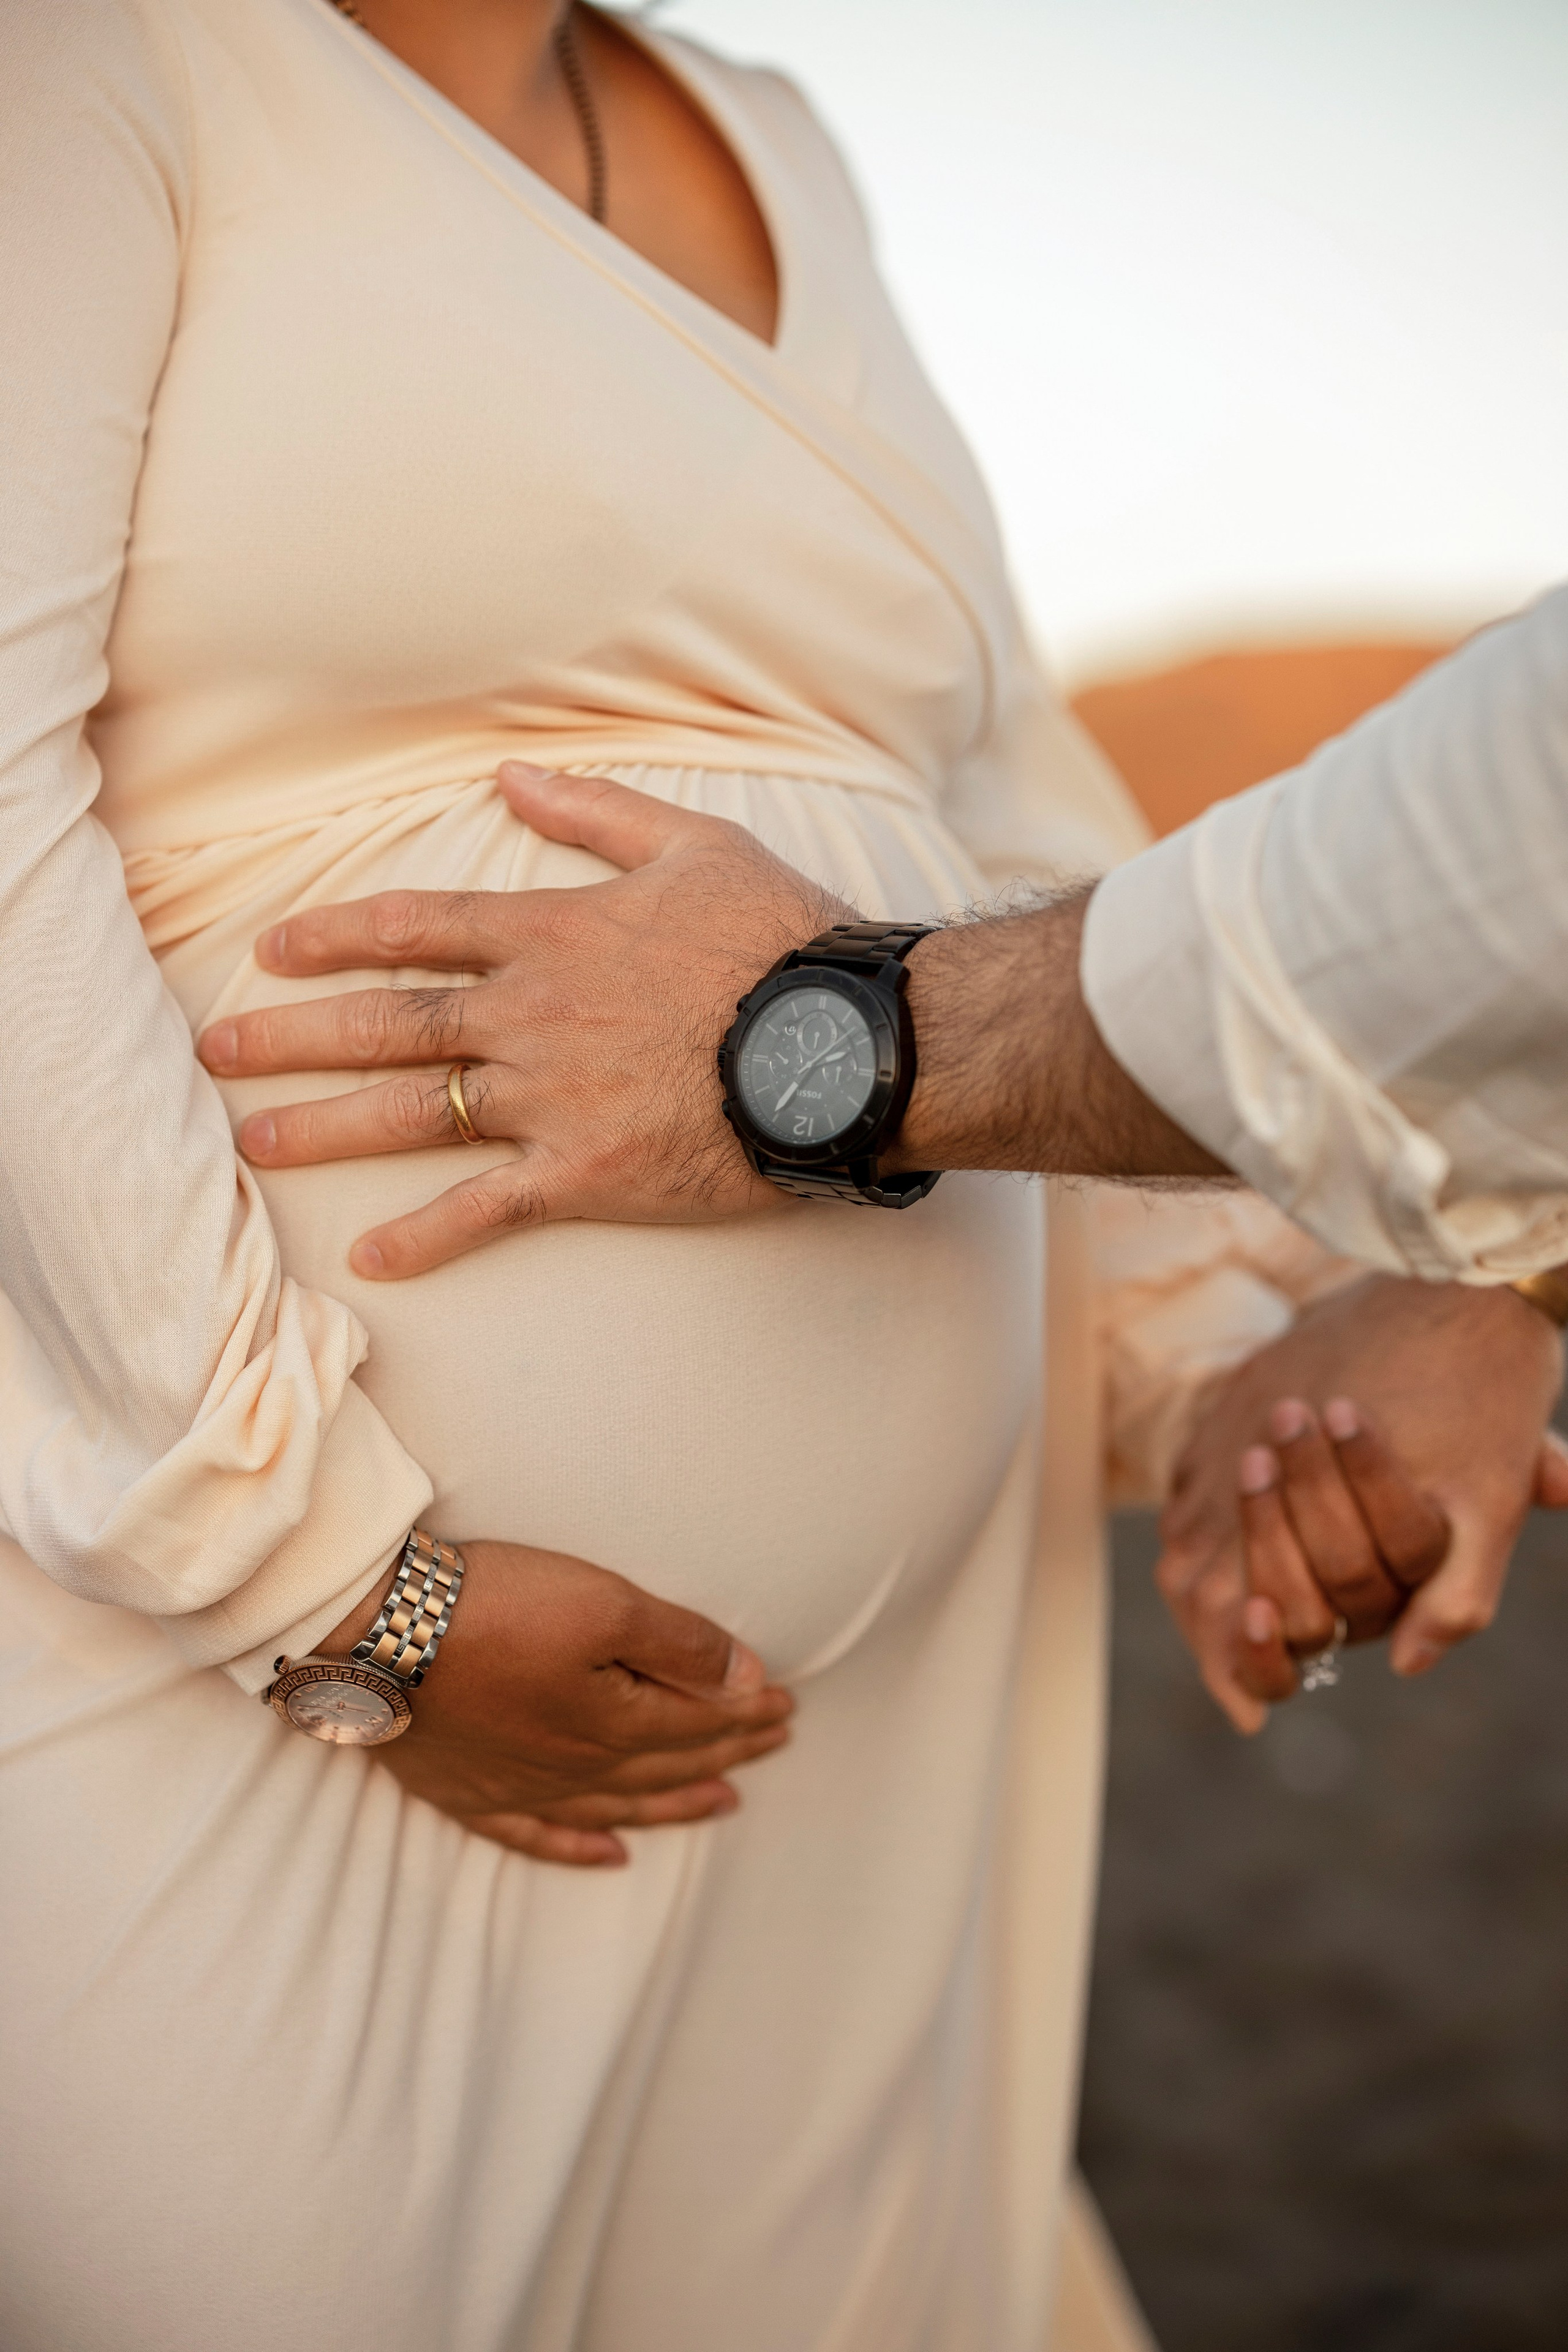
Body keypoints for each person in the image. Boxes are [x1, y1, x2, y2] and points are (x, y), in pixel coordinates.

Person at [2, 7, 1559, 2351]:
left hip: (884, 1752)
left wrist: (1226, 1363)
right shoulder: (96, 58)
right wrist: (325, 1586)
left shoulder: (785, 146)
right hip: (265, 1648)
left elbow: (1007, 844)